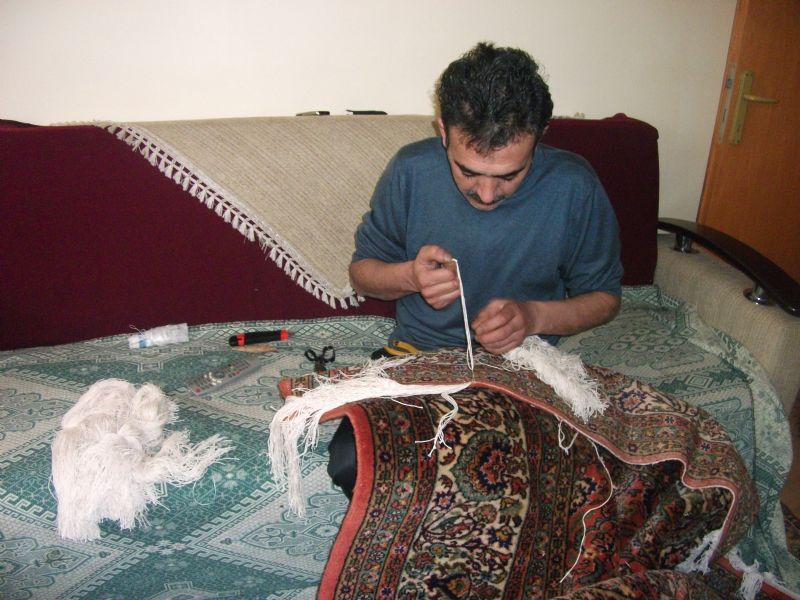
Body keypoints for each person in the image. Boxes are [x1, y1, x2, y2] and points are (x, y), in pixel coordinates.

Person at [328, 42, 623, 497]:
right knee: (357, 464)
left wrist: (533, 317)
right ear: (442, 131)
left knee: (568, 472)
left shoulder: (574, 184)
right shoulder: (410, 170)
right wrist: (410, 277)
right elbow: (362, 273)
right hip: (419, 357)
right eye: (468, 172)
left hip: (527, 366)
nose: (486, 195)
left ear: (539, 136)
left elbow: (605, 298)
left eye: (509, 175)